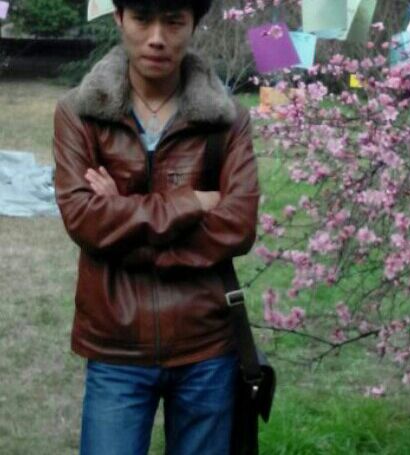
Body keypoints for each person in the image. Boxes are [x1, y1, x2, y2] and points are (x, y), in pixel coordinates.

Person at [52, 0, 260, 454]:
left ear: (194, 23)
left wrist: (121, 215)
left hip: (206, 345)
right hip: (116, 345)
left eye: (173, 21)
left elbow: (239, 226)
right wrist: (194, 202)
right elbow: (84, 220)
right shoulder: (79, 114)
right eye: (143, 19)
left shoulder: (227, 119)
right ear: (119, 17)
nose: (157, 38)